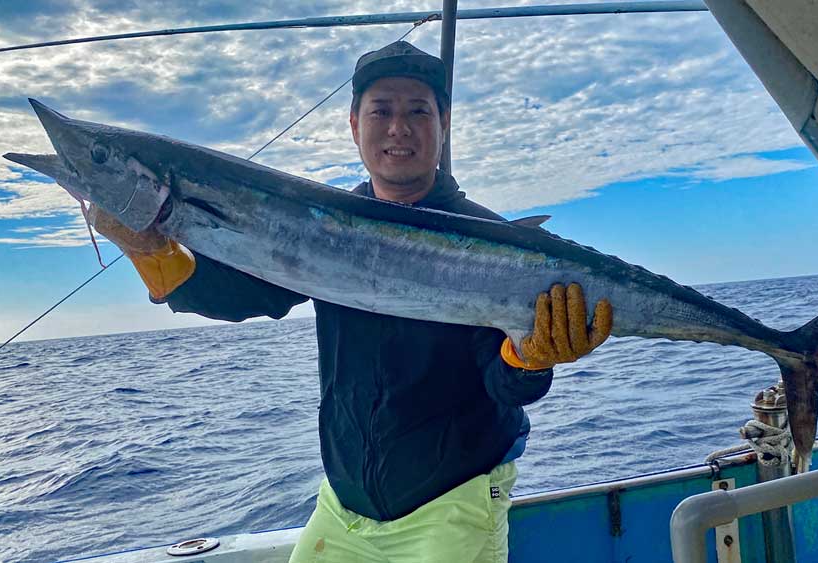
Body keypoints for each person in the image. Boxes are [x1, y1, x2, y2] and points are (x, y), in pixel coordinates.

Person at [91, 41, 612, 563]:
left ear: (444, 123)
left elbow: (504, 385)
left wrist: (529, 355)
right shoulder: (316, 225)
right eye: (381, 111)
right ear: (354, 124)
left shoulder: (491, 243)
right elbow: (240, 295)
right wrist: (149, 250)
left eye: (417, 111)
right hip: (344, 505)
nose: (398, 128)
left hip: (453, 505)